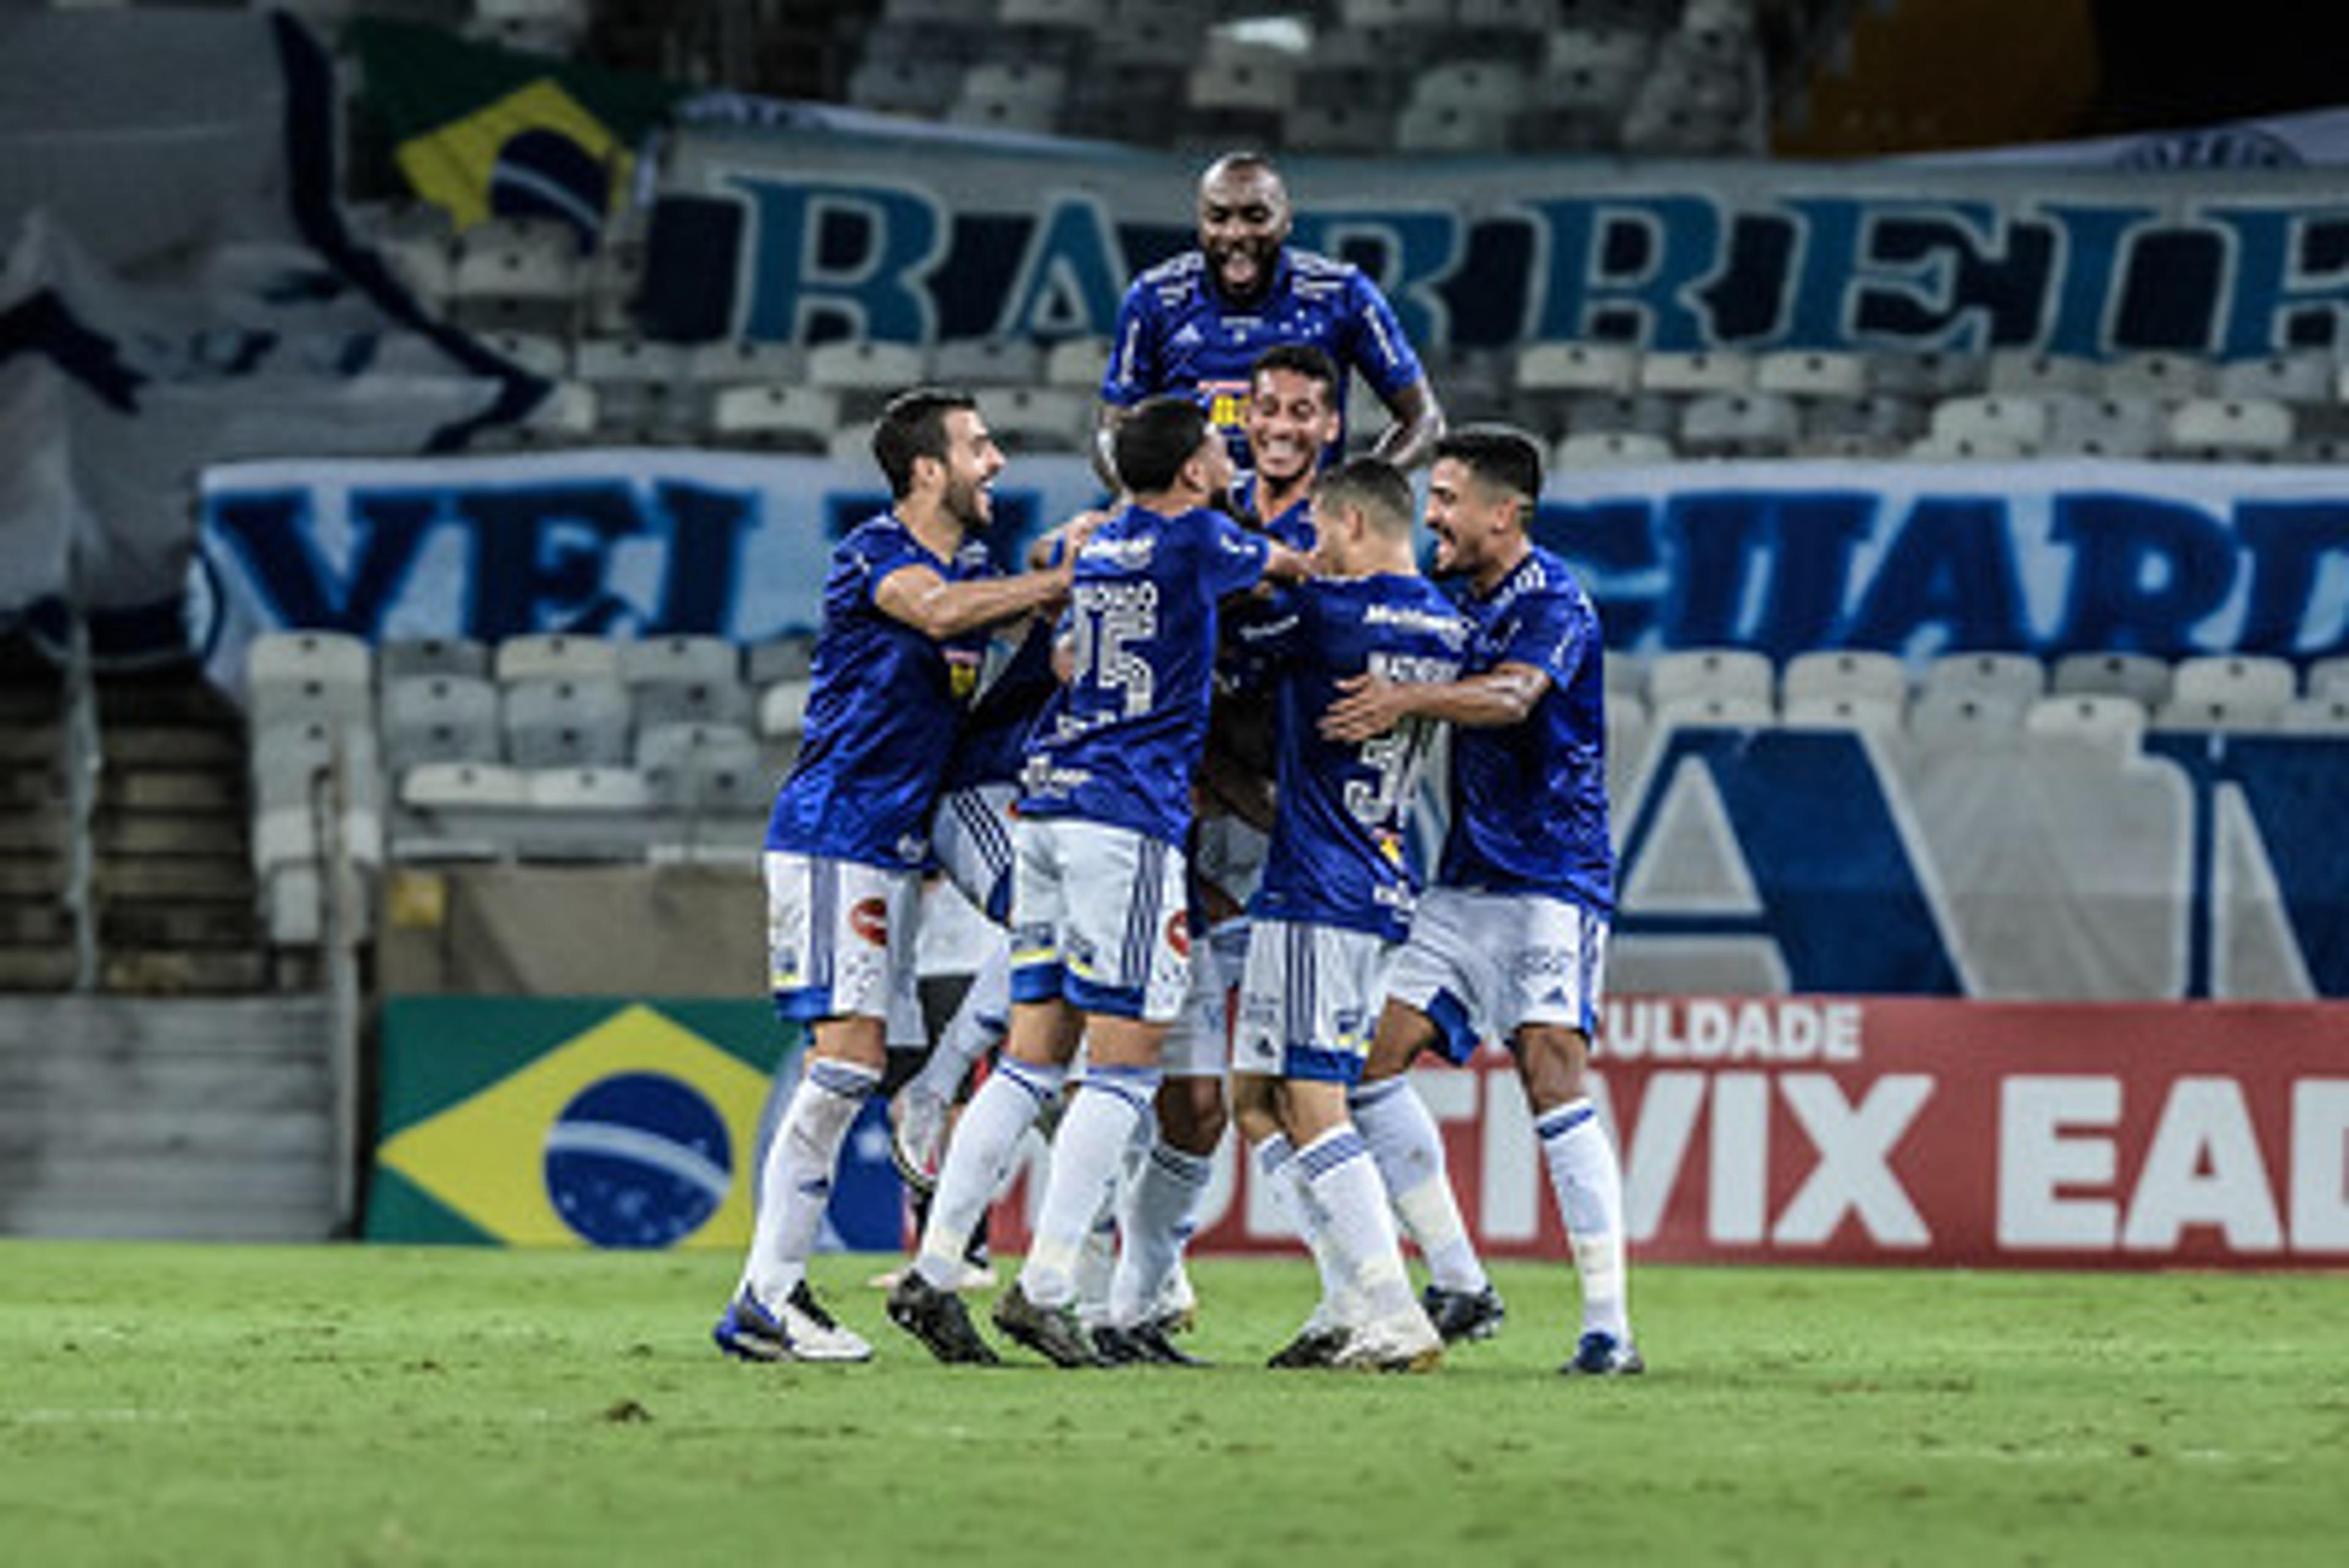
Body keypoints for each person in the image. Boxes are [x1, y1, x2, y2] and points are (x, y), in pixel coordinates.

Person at [889, 394, 1310, 1367]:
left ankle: (936, 1266)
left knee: (1034, 1055)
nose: (1230, 461)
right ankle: (1044, 1286)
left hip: (1045, 800)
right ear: (1196, 471)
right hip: (1123, 821)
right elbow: (1289, 565)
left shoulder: (1100, 542)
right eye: (1219, 450)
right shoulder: (1200, 536)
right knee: (1124, 1064)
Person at [711, 387, 1077, 1364]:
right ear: (928, 468)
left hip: (894, 846)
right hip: (837, 833)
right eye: (980, 446)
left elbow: (1020, 632)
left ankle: (773, 1291)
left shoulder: (966, 565)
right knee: (845, 1063)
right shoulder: (878, 554)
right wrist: (1053, 582)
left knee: (859, 1062)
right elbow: (949, 613)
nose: (996, 463)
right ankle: (767, 1294)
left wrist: (1087, 571)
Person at [1322, 425, 1642, 1377]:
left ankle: (1608, 1327)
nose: (1434, 518)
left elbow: (1511, 699)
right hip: (1462, 884)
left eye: (1450, 499)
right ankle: (1460, 1279)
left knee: (1551, 1075)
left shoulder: (1557, 603)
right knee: (1364, 1064)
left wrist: (1404, 700)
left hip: (1552, 879)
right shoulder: (1461, 603)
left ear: (1507, 513)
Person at [1227, 455, 1469, 1372]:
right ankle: (1345, 1295)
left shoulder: (1328, 610)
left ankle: (1396, 1307)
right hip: (1375, 872)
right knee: (1254, 1097)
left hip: (1320, 884)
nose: (1313, 552)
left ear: (1355, 525)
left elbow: (1236, 619)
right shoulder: (1446, 626)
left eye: (1322, 534)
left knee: (1314, 1099)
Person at [1094, 151, 1444, 489]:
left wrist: (1359, 493)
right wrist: (1135, 501)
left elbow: (1425, 420)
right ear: (1200, 223)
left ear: (1286, 220)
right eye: (1218, 218)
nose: (1236, 233)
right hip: (1190, 524)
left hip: (1304, 531)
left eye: (1256, 216)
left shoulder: (1343, 294)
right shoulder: (1154, 297)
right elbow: (1110, 431)